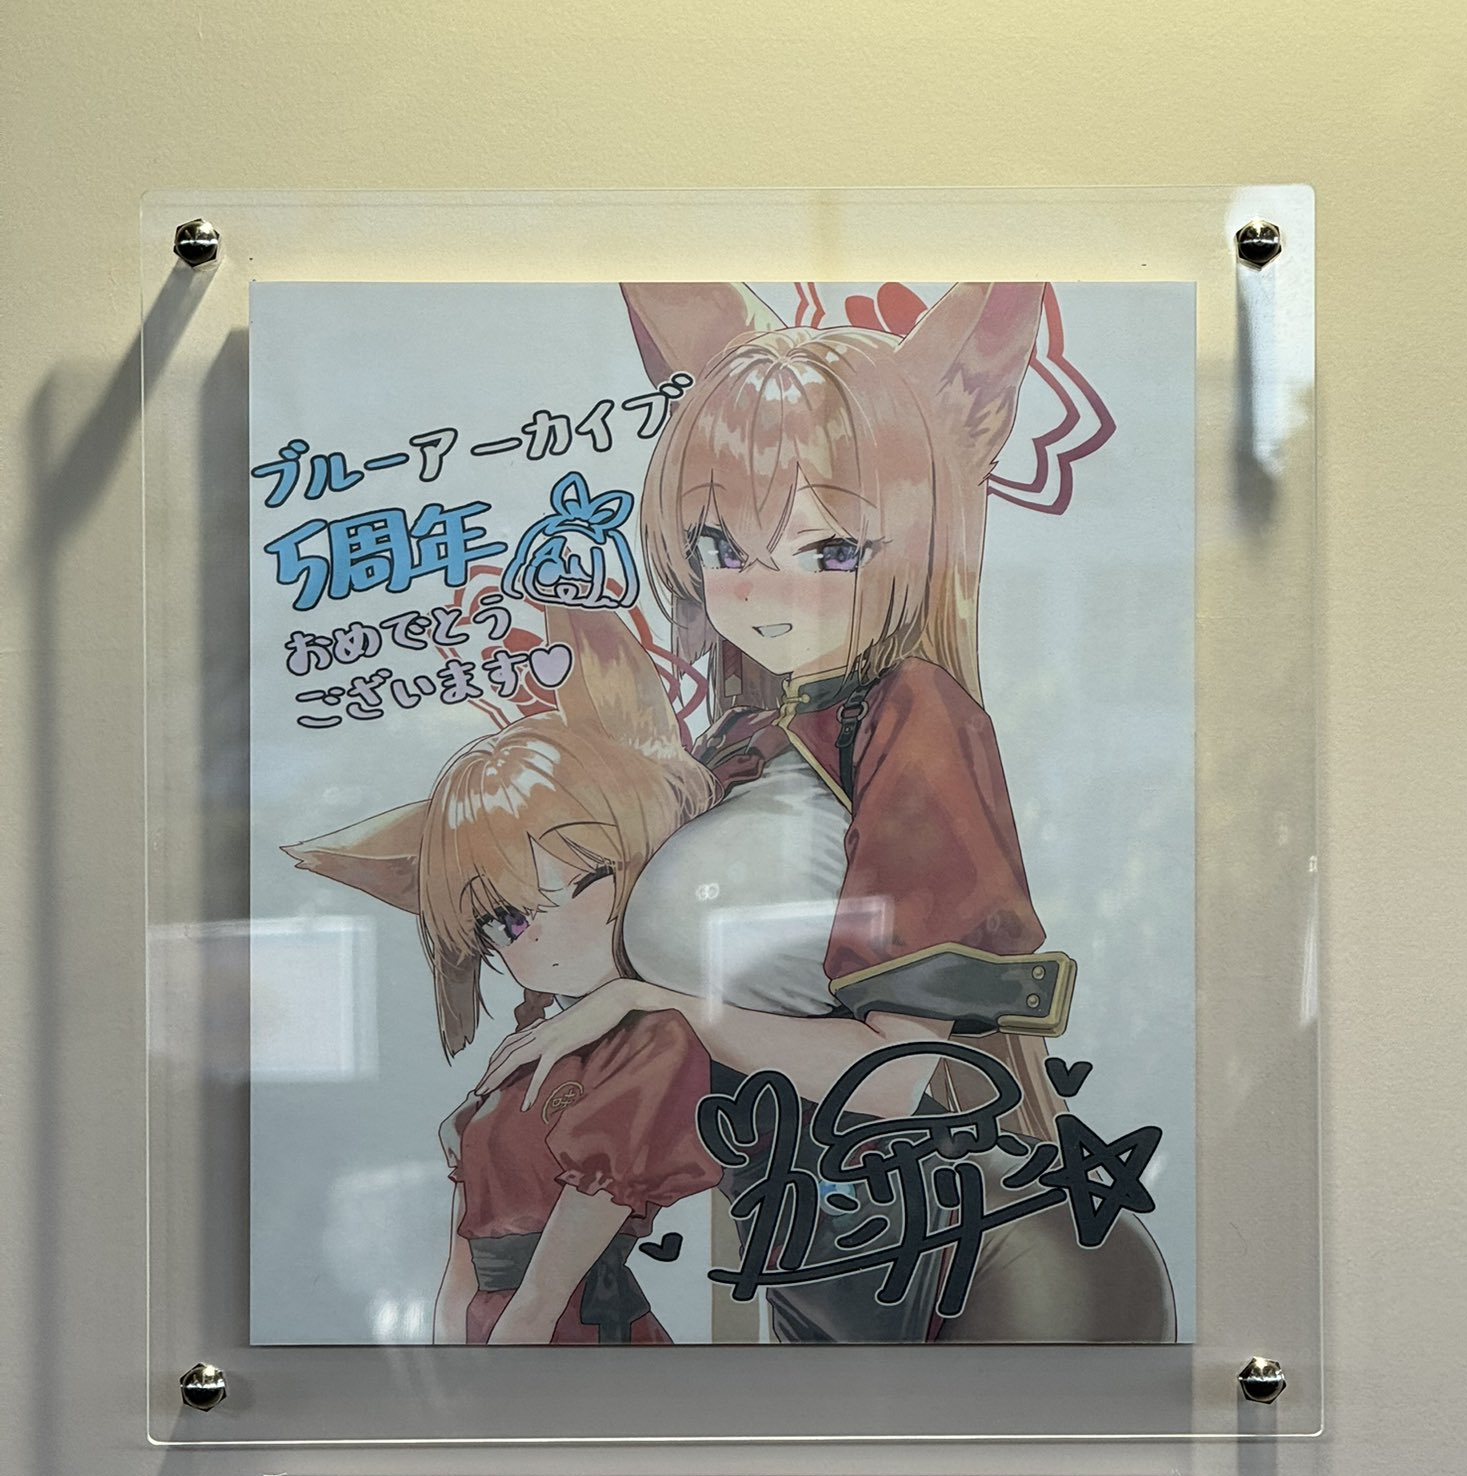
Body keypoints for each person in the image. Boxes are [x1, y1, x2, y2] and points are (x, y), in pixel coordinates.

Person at [473, 282, 1175, 1344]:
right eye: (724, 547)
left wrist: (663, 1008)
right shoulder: (748, 742)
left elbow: (895, 1079)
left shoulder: (913, 717)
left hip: (986, 1260)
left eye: (828, 550)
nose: (764, 592)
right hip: (818, 1254)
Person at [282, 607, 721, 1346]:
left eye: (584, 880)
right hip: (493, 1327)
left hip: (564, 1331)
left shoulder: (652, 1040)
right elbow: (467, 1234)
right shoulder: (535, 1042)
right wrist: (451, 1327)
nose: (546, 928)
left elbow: (584, 1222)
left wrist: (521, 1325)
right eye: (507, 920)